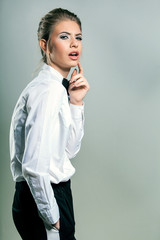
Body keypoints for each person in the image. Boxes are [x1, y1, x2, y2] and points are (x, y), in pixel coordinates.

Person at [9, 8, 90, 240]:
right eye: (64, 36)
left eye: (79, 37)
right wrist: (51, 216)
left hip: (56, 193)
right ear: (45, 45)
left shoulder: (57, 89)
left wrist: (75, 103)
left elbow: (69, 151)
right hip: (42, 197)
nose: (74, 44)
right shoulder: (46, 91)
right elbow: (33, 166)